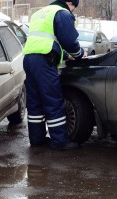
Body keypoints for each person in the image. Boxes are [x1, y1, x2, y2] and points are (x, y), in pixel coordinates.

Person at [23, 0, 86, 150]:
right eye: (73, 7)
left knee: (35, 101)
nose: (72, 11)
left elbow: (46, 40)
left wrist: (64, 56)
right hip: (44, 61)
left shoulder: (39, 13)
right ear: (69, 3)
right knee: (53, 99)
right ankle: (59, 141)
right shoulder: (62, 13)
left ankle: (36, 139)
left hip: (29, 59)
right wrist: (79, 54)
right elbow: (69, 41)